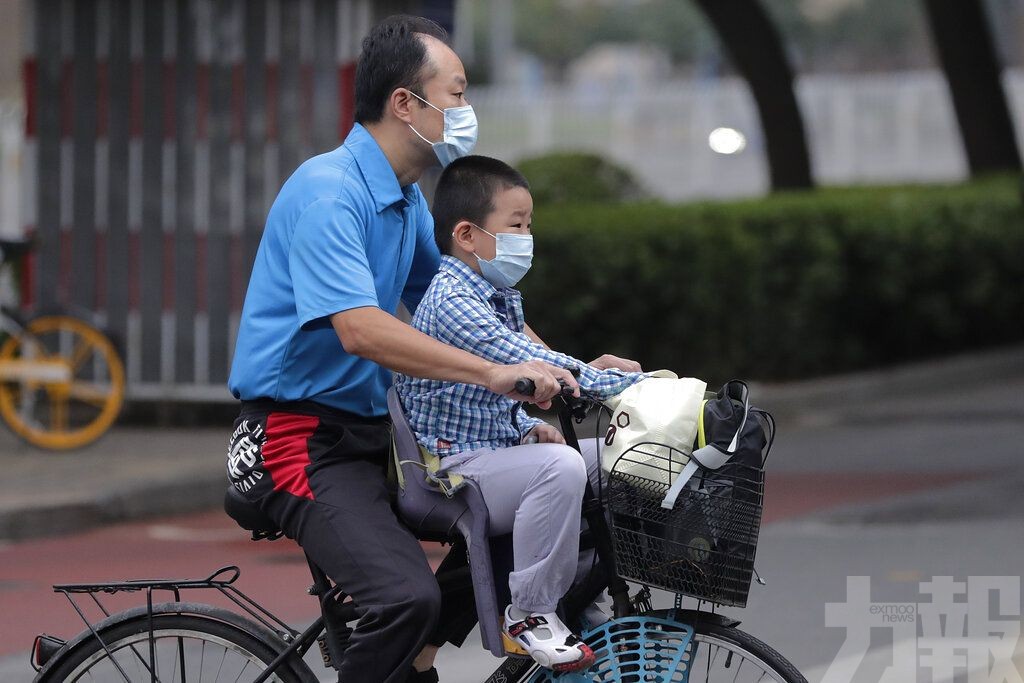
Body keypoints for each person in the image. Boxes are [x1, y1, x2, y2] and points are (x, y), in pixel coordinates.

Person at [225, 16, 577, 683]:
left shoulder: (407, 203)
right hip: (296, 439)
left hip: (373, 437)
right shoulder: (330, 193)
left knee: (532, 501)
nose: (467, 111)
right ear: (404, 104)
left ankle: (414, 663)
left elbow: (467, 312)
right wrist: (495, 373)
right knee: (403, 597)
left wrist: (566, 367)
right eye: (458, 93)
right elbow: (360, 328)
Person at [394, 155, 646, 673]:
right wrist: (642, 389)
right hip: (451, 472)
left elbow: (498, 391)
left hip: (492, 453)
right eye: (516, 225)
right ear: (467, 234)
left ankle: (581, 598)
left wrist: (530, 424)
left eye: (529, 224)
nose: (526, 236)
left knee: (622, 460)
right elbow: (526, 361)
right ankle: (530, 612)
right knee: (562, 469)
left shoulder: (495, 294)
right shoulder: (453, 300)